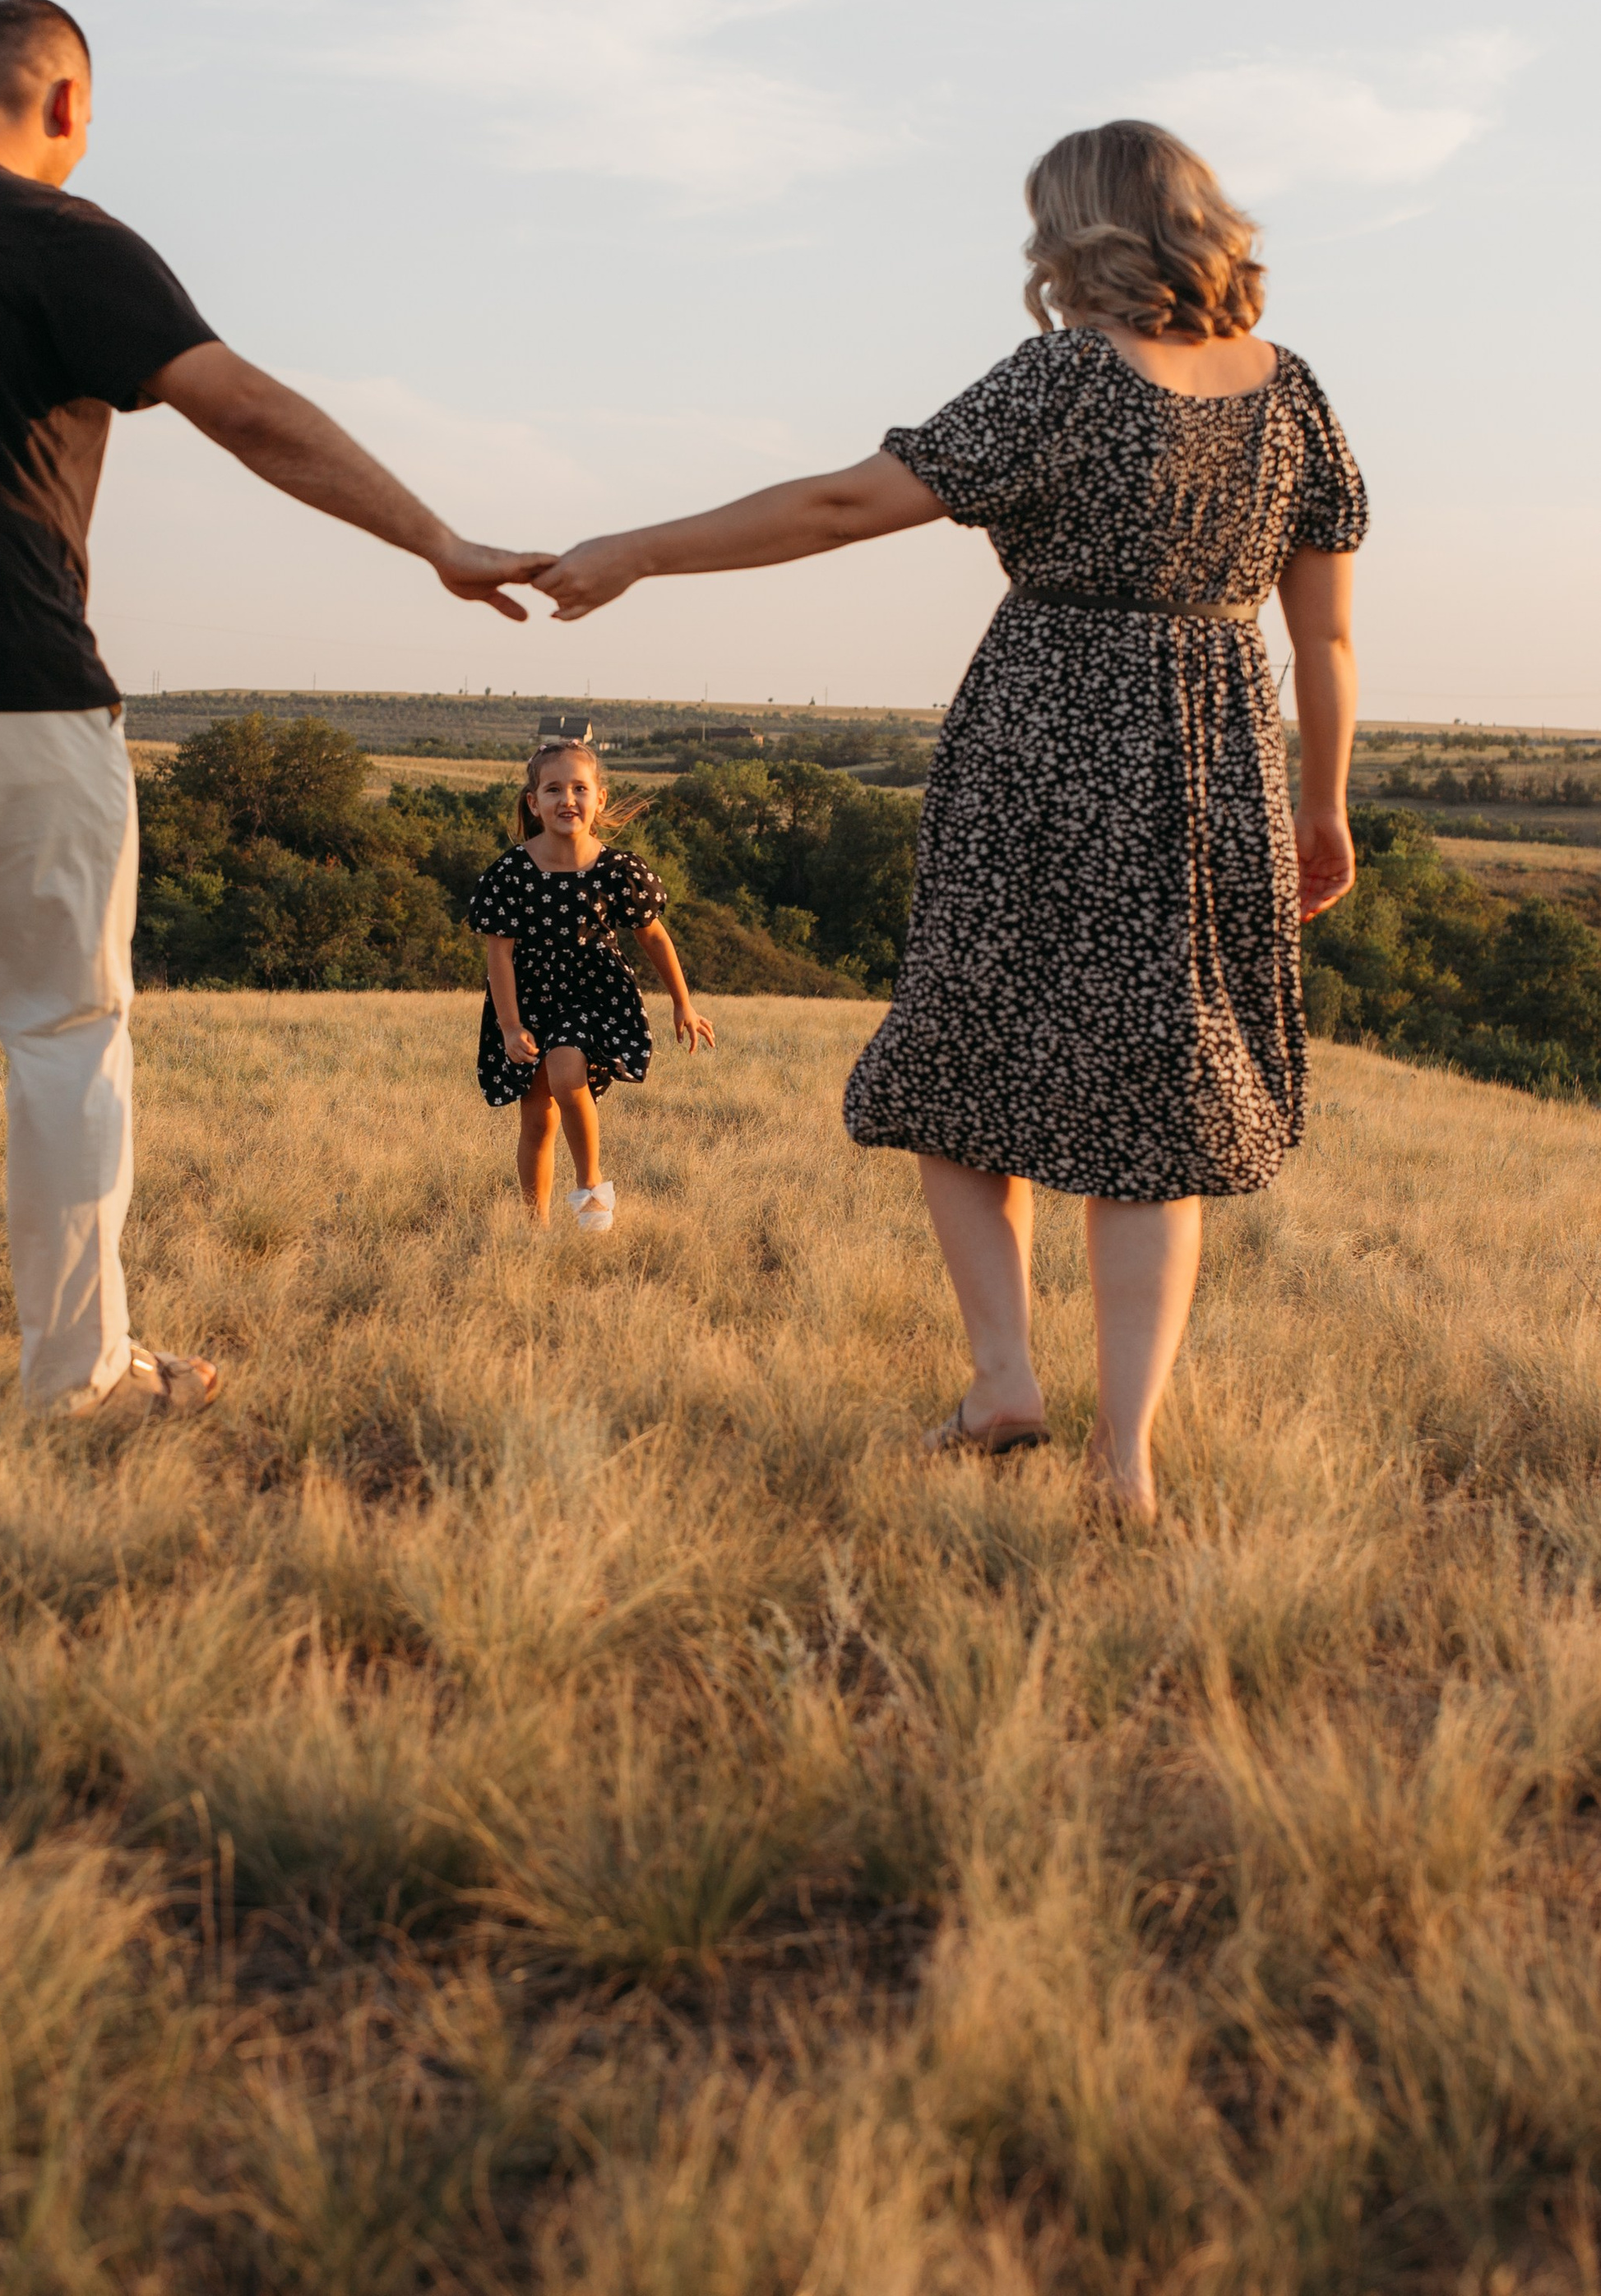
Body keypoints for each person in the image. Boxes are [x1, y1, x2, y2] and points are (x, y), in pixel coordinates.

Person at [533, 122, 1366, 1519]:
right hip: (1216, 763)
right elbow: (1326, 639)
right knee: (1157, 1107)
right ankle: (1124, 1465)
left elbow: (839, 504)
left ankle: (1002, 1382)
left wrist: (638, 551)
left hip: (1039, 745)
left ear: (1079, 230)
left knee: (961, 1058)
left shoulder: (1067, 376)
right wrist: (1321, 805)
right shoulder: (1294, 396)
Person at [0, 0, 548, 1442]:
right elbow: (243, 408)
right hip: (7, 688)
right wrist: (436, 540)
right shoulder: (62, 237)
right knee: (65, 1034)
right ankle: (79, 1385)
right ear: (68, 103)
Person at [467, 736, 714, 1230]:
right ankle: (534, 1228)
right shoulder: (511, 872)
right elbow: (500, 955)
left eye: (580, 788)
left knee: (566, 1075)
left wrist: (682, 1003)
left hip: (593, 996)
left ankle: (591, 1190)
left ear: (599, 798)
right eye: (553, 789)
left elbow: (653, 937)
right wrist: (510, 1026)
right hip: (529, 999)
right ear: (533, 803)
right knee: (537, 1118)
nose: (568, 799)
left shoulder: (618, 869)